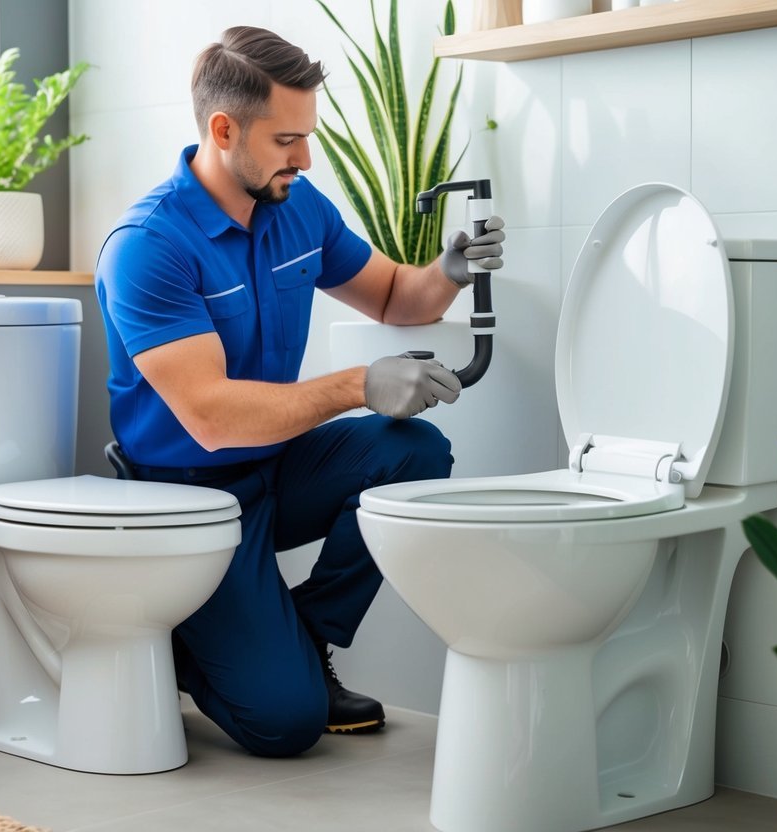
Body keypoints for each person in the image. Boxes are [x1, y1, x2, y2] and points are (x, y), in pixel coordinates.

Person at [94, 25, 505, 758]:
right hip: (188, 496)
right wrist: (358, 384)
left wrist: (450, 267)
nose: (304, 157)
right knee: (285, 727)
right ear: (224, 129)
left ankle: (301, 639)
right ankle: (191, 644)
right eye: (286, 140)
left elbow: (395, 299)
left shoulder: (298, 208)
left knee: (413, 450)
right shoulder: (148, 246)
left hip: (278, 466)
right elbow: (213, 419)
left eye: (306, 137)